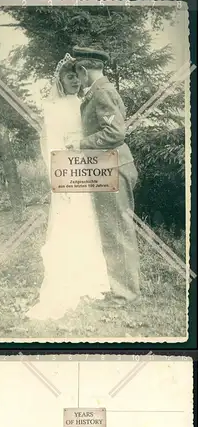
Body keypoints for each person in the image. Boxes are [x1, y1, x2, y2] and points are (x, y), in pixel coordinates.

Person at [26, 53, 110, 322]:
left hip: (87, 169)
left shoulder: (84, 102)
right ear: (60, 80)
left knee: (88, 221)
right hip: (66, 170)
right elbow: (52, 146)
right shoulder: (52, 107)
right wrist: (61, 180)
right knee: (69, 222)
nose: (74, 80)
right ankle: (67, 281)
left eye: (77, 75)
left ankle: (89, 280)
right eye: (69, 76)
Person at [70, 46, 140, 309]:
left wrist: (81, 143)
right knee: (113, 230)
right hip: (110, 167)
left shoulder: (102, 92)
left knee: (118, 231)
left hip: (114, 167)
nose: (78, 79)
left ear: (84, 69)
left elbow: (115, 133)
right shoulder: (100, 92)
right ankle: (121, 290)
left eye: (79, 73)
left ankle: (125, 295)